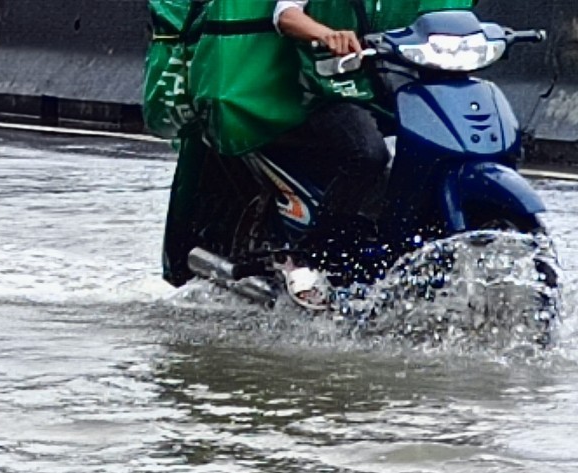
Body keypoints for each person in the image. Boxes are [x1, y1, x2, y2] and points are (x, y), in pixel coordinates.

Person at [147, 0, 415, 285]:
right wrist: (326, 34)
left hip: (398, 85)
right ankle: (314, 255)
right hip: (327, 89)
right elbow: (286, 14)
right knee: (367, 155)